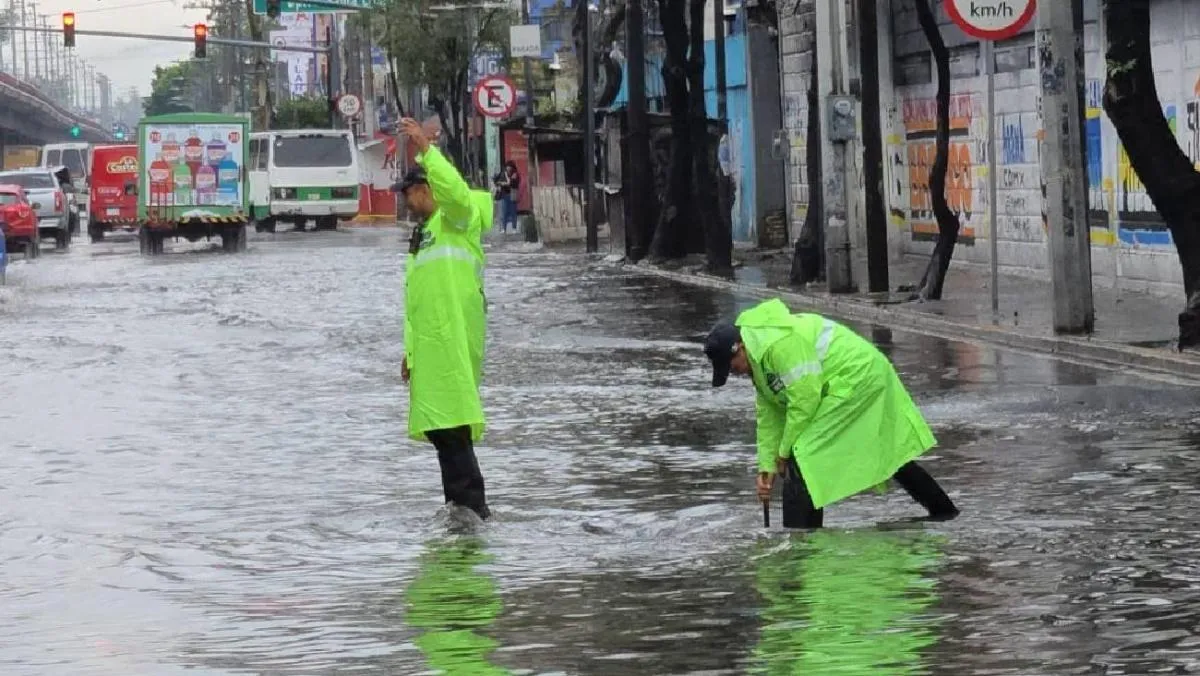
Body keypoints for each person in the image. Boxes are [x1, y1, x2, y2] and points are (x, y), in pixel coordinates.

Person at [704, 298, 959, 528]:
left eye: (731, 367)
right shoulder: (756, 357)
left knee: (802, 452)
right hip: (842, 383)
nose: (734, 374)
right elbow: (769, 416)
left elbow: (804, 402)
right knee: (882, 449)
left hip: (859, 378)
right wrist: (766, 467)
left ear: (739, 348)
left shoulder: (778, 345)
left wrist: (782, 454)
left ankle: (800, 546)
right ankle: (944, 513)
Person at [392, 117, 494, 520]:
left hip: (451, 343)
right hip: (432, 350)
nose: (407, 204)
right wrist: (411, 353)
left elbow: (456, 192)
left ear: (425, 189)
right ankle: (458, 511)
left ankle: (473, 512)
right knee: (442, 430)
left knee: (453, 429)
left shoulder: (456, 219)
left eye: (410, 195)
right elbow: (418, 300)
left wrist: (426, 151)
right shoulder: (427, 233)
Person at [492, 161, 520, 233]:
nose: (508, 169)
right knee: (504, 212)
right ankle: (504, 228)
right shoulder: (502, 173)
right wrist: (500, 184)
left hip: (512, 194)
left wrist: (508, 181)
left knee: (513, 211)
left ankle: (514, 228)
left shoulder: (515, 174)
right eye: (507, 167)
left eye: (510, 167)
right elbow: (496, 180)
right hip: (504, 194)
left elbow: (513, 183)